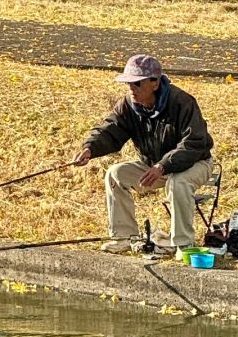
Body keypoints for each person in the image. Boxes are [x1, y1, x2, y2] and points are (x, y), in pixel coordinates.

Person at [72, 53, 215, 256]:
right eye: (128, 83)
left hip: (195, 164)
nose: (132, 89)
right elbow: (110, 130)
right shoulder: (128, 105)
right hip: (155, 166)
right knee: (115, 174)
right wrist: (90, 148)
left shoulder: (182, 102)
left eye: (137, 83)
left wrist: (163, 165)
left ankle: (183, 245)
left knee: (178, 182)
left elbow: (193, 145)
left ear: (155, 83)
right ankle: (123, 237)